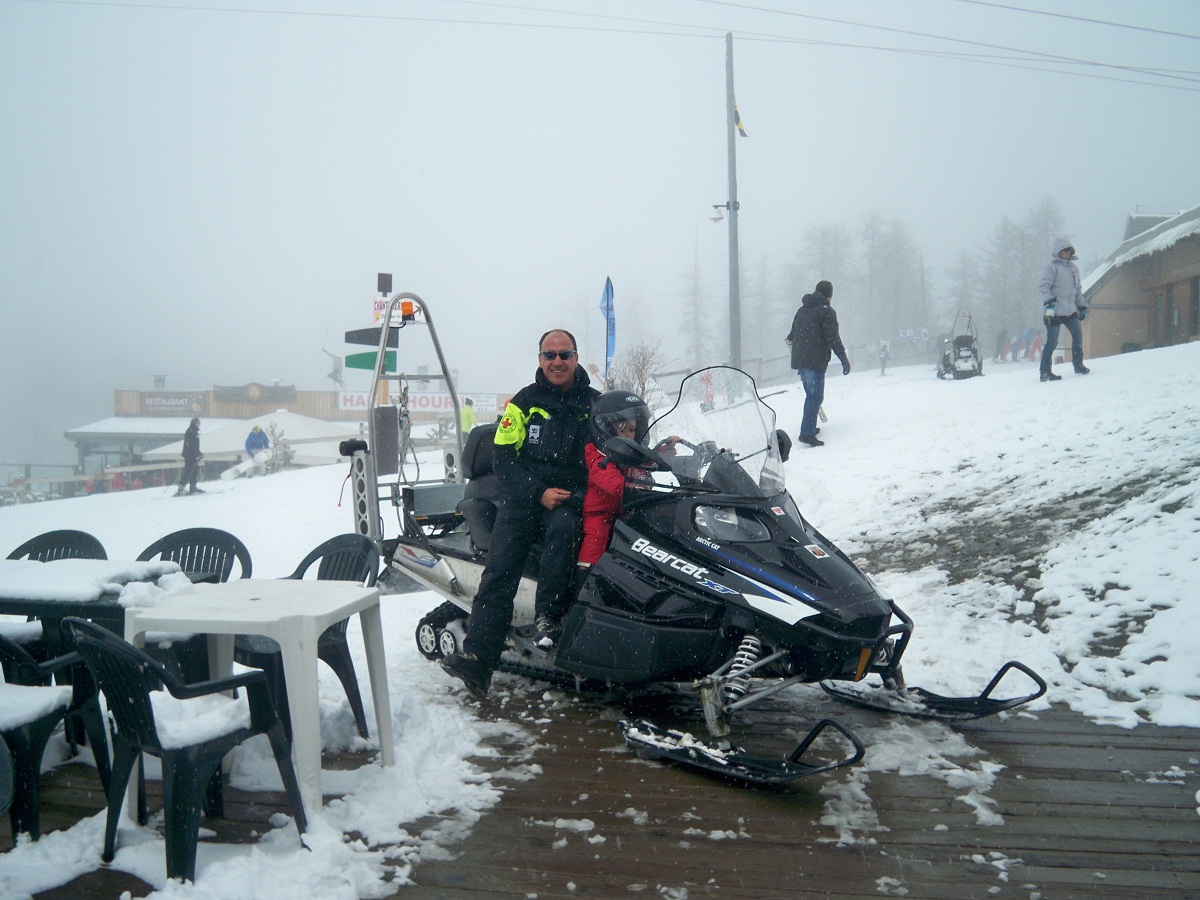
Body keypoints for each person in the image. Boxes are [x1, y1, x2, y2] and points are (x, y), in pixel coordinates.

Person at [441, 329, 600, 697]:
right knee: (500, 570)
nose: (557, 362)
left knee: (563, 535)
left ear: (576, 358)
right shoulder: (523, 403)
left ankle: (549, 620)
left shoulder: (595, 404)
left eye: (565, 355)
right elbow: (503, 459)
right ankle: (479, 660)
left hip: (569, 501)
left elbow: (613, 450)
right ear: (540, 359)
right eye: (549, 355)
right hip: (523, 500)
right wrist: (537, 492)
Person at [786, 280, 850, 447]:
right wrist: (843, 358)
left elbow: (791, 336)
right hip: (815, 361)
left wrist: (798, 354)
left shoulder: (802, 310)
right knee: (815, 397)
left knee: (811, 396)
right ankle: (806, 433)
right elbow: (833, 338)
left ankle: (810, 427)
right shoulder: (827, 312)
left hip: (800, 360)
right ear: (829, 295)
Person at [1038, 237, 1090, 381]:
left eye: (1069, 250)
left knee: (1078, 335)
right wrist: (1049, 302)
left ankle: (1078, 365)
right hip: (1053, 311)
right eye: (1064, 250)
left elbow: (1077, 290)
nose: (1067, 253)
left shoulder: (1074, 269)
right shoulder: (1051, 267)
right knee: (1052, 341)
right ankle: (1045, 371)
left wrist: (1082, 306)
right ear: (1057, 252)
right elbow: (1043, 287)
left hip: (1070, 310)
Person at [175, 417, 203, 495]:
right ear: (194, 423)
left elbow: (195, 446)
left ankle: (193, 486)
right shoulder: (191, 432)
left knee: (195, 469)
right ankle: (181, 487)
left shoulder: (194, 431)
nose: (199, 425)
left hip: (193, 454)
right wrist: (196, 453)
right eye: (198, 423)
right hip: (190, 455)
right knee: (188, 470)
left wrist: (198, 453)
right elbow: (191, 445)